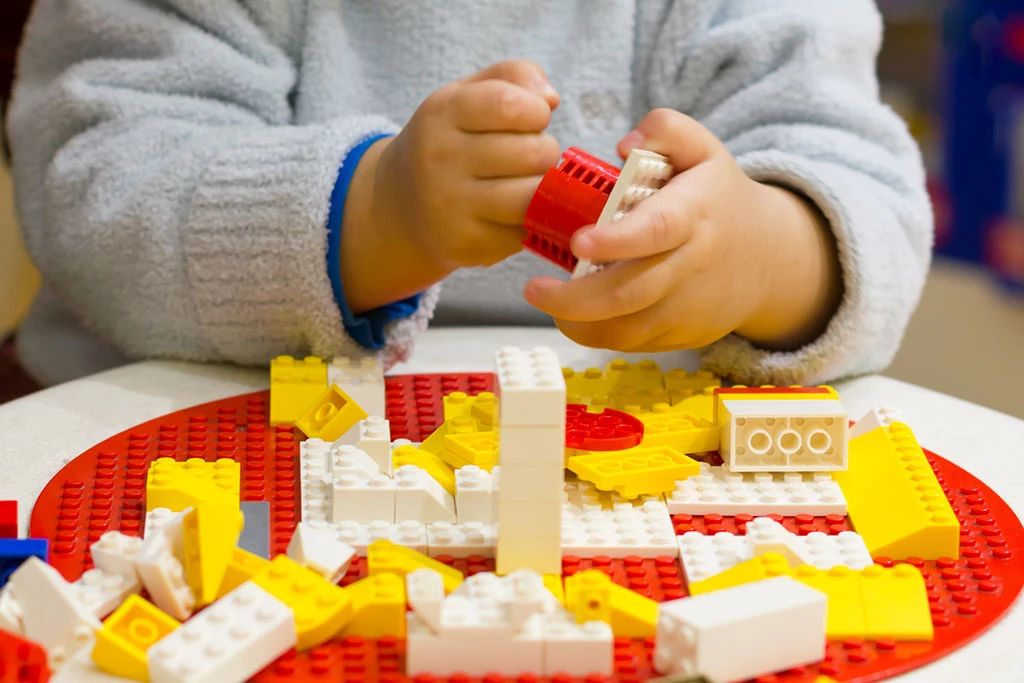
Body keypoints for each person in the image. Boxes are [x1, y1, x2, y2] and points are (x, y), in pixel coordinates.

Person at [7, 0, 931, 387]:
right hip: (181, 451)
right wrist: (374, 216)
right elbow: (102, 179)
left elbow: (864, 187)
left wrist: (761, 255)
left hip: (649, 483)